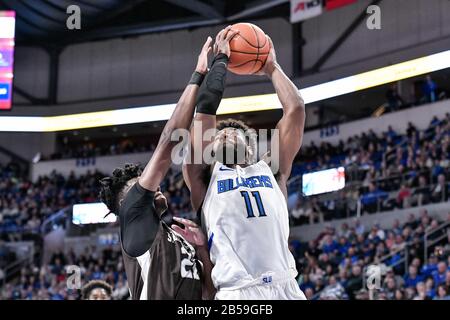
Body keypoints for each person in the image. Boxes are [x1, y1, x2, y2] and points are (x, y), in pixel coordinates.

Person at [183, 26, 306, 300]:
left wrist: (272, 68)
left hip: (287, 287)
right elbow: (205, 109)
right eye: (217, 136)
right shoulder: (203, 179)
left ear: (251, 148)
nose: (225, 132)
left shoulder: (272, 170)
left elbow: (296, 110)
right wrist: (220, 62)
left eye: (234, 132)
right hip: (237, 293)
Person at [99, 38, 215, 300]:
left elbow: (208, 295)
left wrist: (202, 252)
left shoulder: (179, 239)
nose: (153, 185)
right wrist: (198, 76)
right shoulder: (134, 213)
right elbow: (169, 143)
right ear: (127, 201)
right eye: (138, 185)